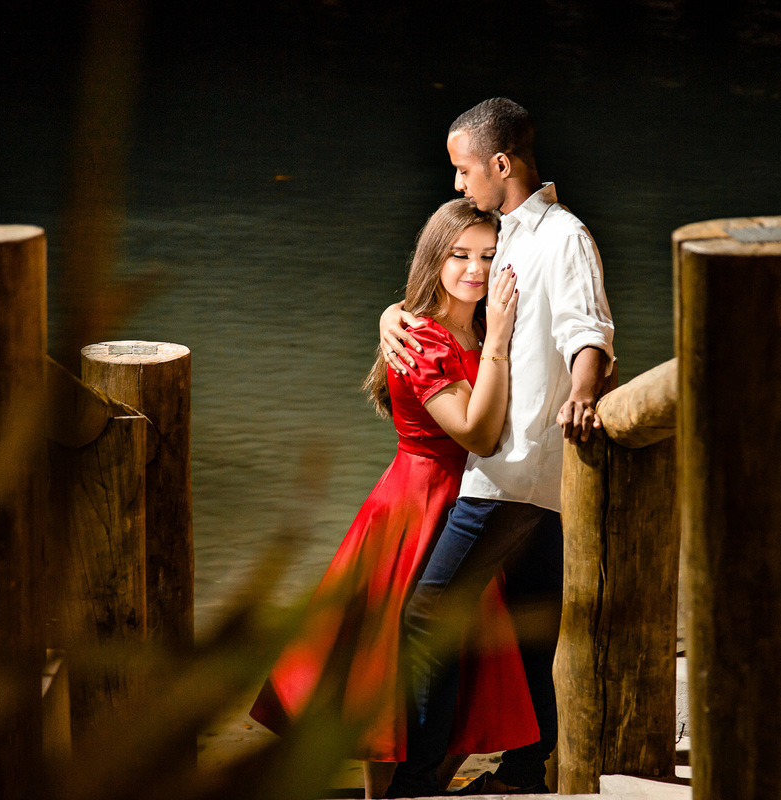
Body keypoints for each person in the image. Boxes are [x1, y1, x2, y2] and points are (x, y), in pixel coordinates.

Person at [250, 198, 538, 799]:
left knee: (465, 665)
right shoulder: (421, 336)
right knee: (381, 674)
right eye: (459, 255)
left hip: (473, 505)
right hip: (418, 504)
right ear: (433, 258)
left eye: (488, 256)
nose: (475, 270)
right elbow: (478, 433)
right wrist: (499, 339)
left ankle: (420, 786)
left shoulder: (481, 323)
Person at [379, 98, 614, 797]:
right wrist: (394, 311)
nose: (458, 184)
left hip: (513, 468)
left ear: (500, 164)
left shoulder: (562, 235)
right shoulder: (506, 233)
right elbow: (456, 286)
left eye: (464, 169)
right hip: (518, 469)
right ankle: (523, 773)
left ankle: (416, 785)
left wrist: (584, 391)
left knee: (426, 618)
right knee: (534, 621)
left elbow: (589, 328)